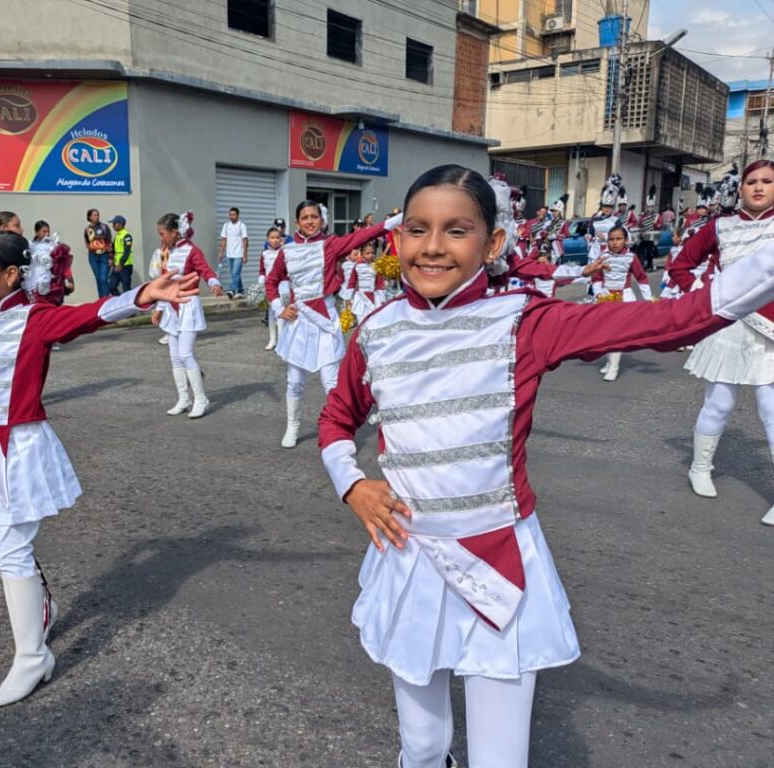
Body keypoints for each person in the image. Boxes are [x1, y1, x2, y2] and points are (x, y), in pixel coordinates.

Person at [317, 163, 774, 768]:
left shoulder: (526, 321)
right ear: (398, 239)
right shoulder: (376, 331)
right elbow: (336, 419)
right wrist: (353, 486)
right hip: (410, 559)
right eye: (417, 229)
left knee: (499, 760)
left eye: (457, 230)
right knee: (422, 748)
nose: (432, 247)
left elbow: (675, 321)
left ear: (493, 244)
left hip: (500, 561)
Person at [0, 230, 199, 708]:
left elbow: (89, 316)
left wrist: (143, 294)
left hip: (20, 446)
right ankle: (42, 605)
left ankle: (32, 658)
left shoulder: (36, 318)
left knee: (11, 551)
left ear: (11, 274)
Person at [667, 160, 774, 526]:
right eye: (751, 181)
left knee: (771, 410)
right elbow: (680, 266)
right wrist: (705, 295)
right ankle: (699, 468)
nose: (758, 187)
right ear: (740, 188)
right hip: (728, 326)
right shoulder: (720, 226)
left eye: (767, 181)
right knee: (719, 404)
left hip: (770, 331)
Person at [264, 201, 402, 449]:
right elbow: (271, 282)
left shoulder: (330, 245)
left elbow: (363, 235)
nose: (310, 221)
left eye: (314, 217)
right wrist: (279, 309)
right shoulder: (287, 251)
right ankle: (292, 425)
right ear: (297, 222)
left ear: (321, 220)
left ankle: (338, 431)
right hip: (298, 321)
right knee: (295, 381)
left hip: (325, 321)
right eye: (305, 217)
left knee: (331, 383)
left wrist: (396, 220)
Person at [150, 212, 224, 418]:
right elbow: (164, 281)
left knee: (185, 354)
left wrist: (214, 283)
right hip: (170, 305)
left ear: (175, 232)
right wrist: (159, 307)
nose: (160, 237)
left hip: (188, 305)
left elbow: (205, 270)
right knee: (175, 357)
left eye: (162, 233)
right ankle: (184, 398)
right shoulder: (165, 251)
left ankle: (201, 399)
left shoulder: (192, 250)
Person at [591, 225, 653, 381]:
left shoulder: (631, 257)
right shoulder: (602, 256)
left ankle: (614, 367)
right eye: (611, 239)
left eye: (618, 239)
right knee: (606, 332)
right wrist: (598, 293)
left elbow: (641, 277)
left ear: (626, 240)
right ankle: (609, 362)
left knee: (616, 333)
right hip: (606, 296)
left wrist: (648, 298)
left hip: (624, 298)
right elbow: (596, 277)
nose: (614, 242)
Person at [259, 226, 288, 351]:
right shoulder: (264, 254)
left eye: (277, 237)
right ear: (267, 239)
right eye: (272, 238)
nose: (275, 240)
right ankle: (272, 339)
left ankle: (282, 342)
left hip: (282, 285)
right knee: (271, 313)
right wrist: (261, 282)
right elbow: (262, 270)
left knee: (280, 312)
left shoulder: (285, 252)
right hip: (269, 286)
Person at [342, 240, 386, 322]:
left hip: (373, 297)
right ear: (362, 254)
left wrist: (382, 299)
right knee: (362, 321)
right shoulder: (357, 266)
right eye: (367, 253)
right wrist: (348, 298)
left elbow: (380, 283)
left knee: (373, 320)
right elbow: (351, 282)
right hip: (360, 297)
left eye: (372, 253)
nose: (370, 255)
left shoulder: (377, 266)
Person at [219, 207, 249, 299]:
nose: (232, 216)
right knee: (234, 274)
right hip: (229, 254)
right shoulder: (226, 225)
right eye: (230, 215)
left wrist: (245, 255)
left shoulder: (242, 226)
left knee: (235, 273)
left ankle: (231, 290)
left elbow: (245, 241)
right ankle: (240, 290)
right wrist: (221, 253)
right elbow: (223, 240)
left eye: (234, 215)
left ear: (238, 215)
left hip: (239, 254)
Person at [84, 209, 113, 299]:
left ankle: (106, 299)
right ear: (90, 217)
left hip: (104, 255)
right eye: (95, 215)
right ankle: (101, 300)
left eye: (98, 215)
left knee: (103, 278)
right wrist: (92, 247)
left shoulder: (104, 227)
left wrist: (110, 257)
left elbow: (109, 242)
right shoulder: (87, 229)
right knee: (98, 279)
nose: (97, 217)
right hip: (93, 256)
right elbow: (87, 243)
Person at [108, 215, 134, 295]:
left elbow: (127, 251)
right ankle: (120, 300)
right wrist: (111, 258)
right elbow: (114, 250)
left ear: (120, 224)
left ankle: (129, 301)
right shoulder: (117, 235)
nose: (113, 226)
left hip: (125, 265)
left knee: (126, 288)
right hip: (116, 264)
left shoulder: (126, 236)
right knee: (111, 286)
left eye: (114, 223)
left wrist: (121, 264)